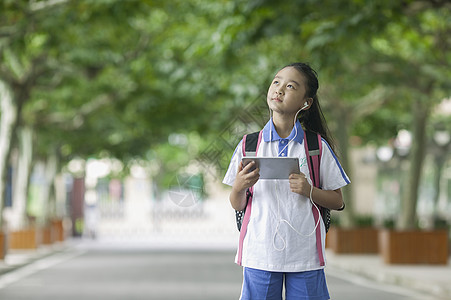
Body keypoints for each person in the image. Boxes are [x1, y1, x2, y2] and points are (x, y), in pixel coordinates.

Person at [222, 62, 350, 300]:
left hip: (305, 256)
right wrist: (239, 187)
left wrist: (309, 190)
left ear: (306, 102)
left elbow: (338, 201)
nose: (279, 89)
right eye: (276, 82)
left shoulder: (316, 147)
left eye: (290, 86)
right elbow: (237, 203)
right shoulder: (249, 145)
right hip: (260, 254)